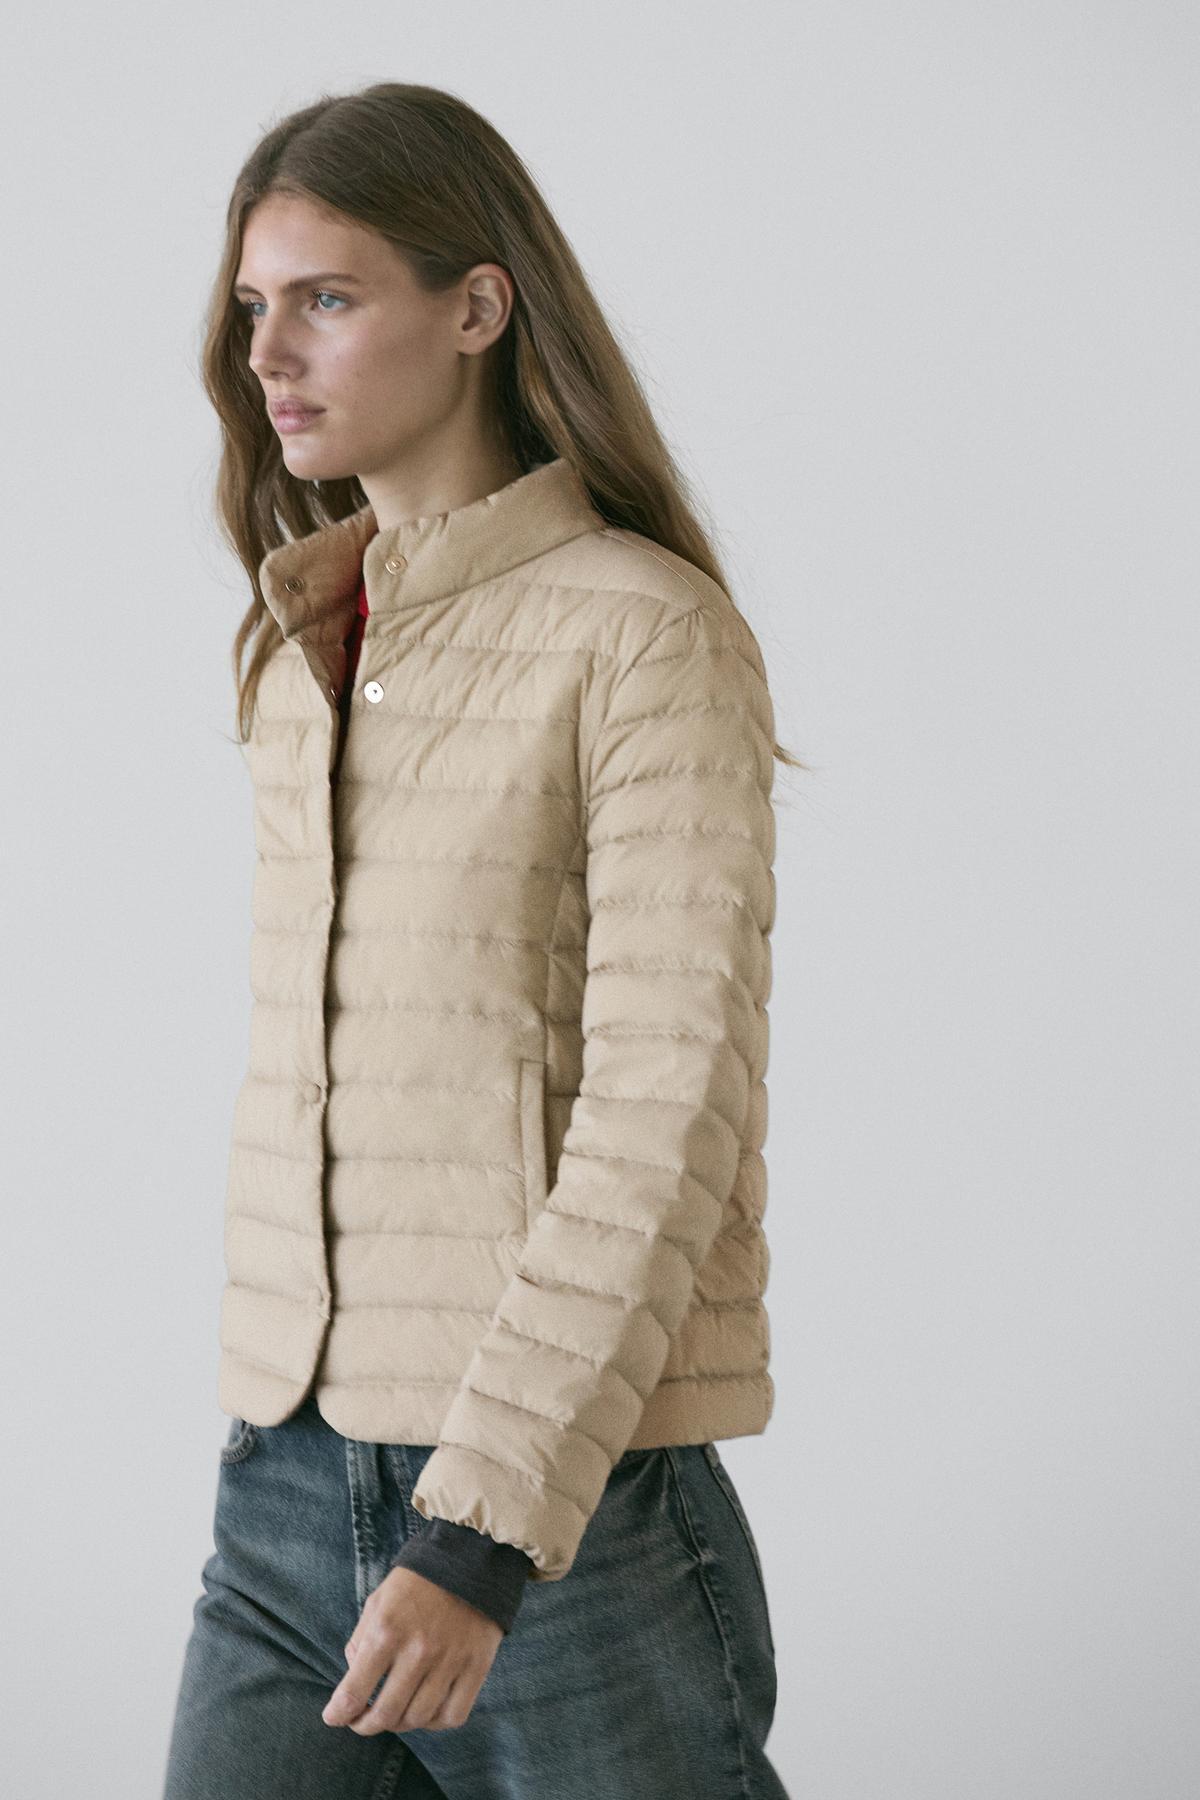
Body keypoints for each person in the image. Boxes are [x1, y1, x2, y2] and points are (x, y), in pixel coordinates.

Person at [163, 79, 798, 1800]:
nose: (267, 353)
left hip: (561, 1525)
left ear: (477, 307)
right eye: (253, 306)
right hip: (285, 1485)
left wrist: (483, 1533)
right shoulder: (301, 640)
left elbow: (667, 1113)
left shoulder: (644, 637)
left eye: (326, 297)